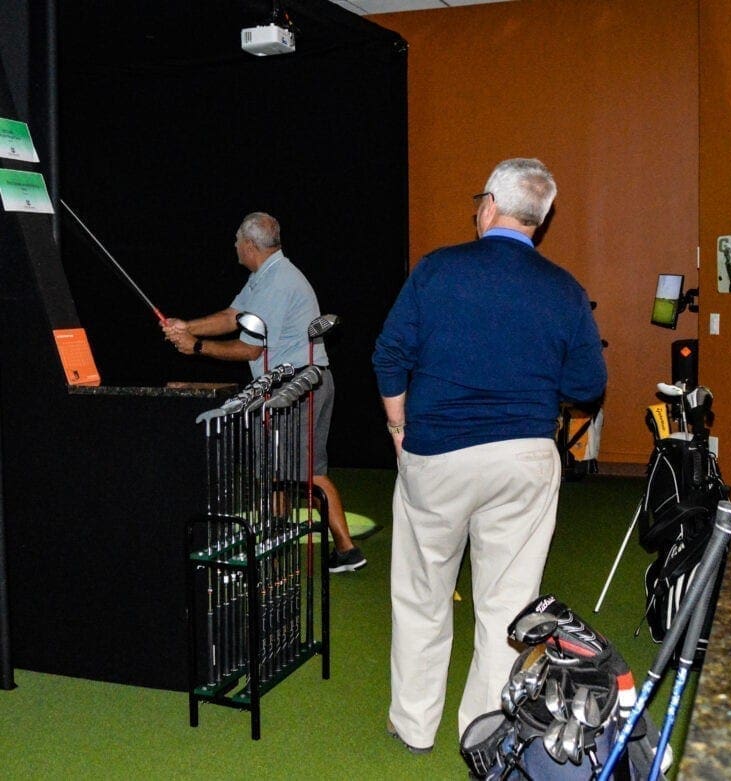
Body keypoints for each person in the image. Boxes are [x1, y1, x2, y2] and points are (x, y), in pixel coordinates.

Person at [372, 158, 607, 753]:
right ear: (542, 217)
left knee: (422, 594)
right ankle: (483, 730)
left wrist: (397, 424)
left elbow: (389, 356)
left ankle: (414, 724)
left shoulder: (437, 270)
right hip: (524, 458)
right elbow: (586, 386)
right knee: (507, 603)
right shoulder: (564, 289)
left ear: (488, 207)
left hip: (437, 455)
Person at [162, 211, 366, 572]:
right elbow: (232, 315)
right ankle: (278, 537)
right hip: (297, 384)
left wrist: (195, 347)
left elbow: (250, 349)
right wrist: (185, 325)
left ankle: (344, 550)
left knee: (305, 473)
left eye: (238, 241)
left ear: (251, 245)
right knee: (277, 470)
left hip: (298, 386)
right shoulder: (265, 275)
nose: (235, 247)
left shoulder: (278, 282)